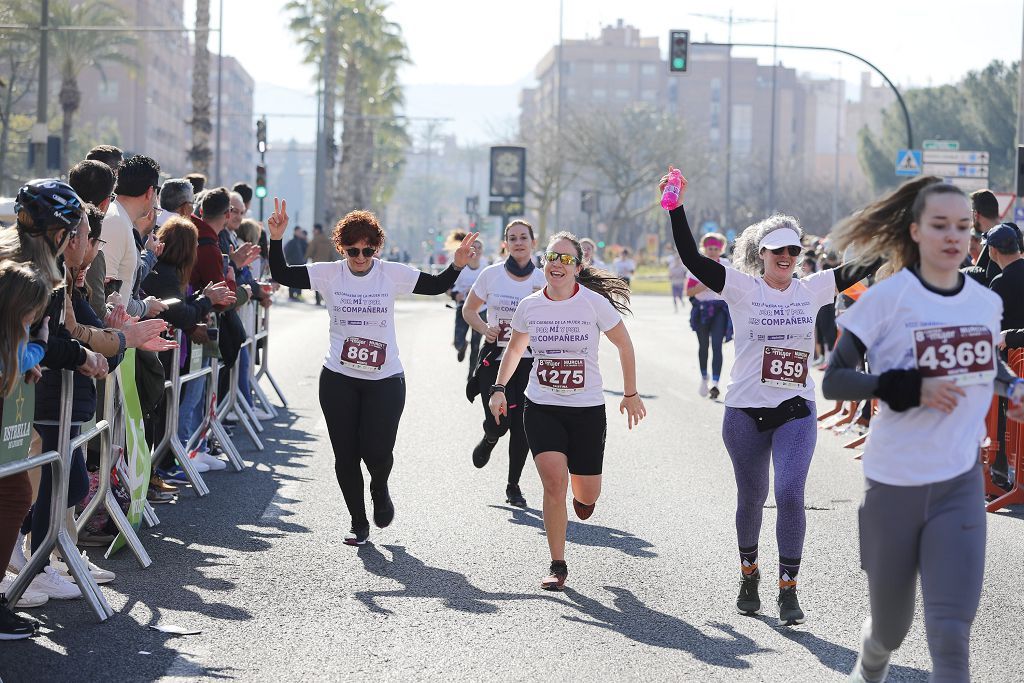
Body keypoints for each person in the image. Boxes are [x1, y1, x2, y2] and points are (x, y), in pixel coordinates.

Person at [820, 179, 1024, 682]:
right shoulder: (887, 299)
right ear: (915, 231)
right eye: (940, 225)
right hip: (894, 486)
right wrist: (912, 388)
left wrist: (1014, 390)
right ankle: (870, 666)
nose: (954, 236)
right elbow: (836, 380)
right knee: (892, 627)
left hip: (958, 484)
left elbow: (982, 362)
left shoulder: (983, 302)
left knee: (951, 635)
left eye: (962, 226)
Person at [661, 165, 880, 626]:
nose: (787, 256)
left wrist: (899, 230)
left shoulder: (814, 288)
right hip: (743, 409)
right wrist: (676, 206)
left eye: (794, 251)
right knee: (751, 497)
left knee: (790, 492)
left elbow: (867, 264)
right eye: (778, 250)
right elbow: (689, 257)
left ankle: (788, 589)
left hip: (795, 409)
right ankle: (749, 575)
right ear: (762, 253)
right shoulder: (741, 287)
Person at [267, 198, 479, 546]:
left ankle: (379, 488)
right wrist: (276, 239)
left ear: (377, 247)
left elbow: (437, 285)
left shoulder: (390, 273)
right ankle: (358, 521)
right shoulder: (329, 273)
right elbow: (281, 274)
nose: (361, 257)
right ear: (342, 249)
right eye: (353, 251)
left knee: (377, 453)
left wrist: (456, 266)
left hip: (385, 380)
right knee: (346, 455)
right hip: (338, 377)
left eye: (368, 250)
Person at [488, 231, 645, 590]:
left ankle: (583, 498)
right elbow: (514, 351)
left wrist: (631, 393)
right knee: (553, 482)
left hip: (587, 410)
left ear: (578, 266)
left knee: (587, 495)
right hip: (542, 406)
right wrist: (498, 388)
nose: (557, 264)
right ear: (544, 263)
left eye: (566, 259)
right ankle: (558, 563)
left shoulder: (592, 303)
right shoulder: (529, 306)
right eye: (552, 258)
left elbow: (624, 344)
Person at [462, 220, 547, 508]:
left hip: (528, 362)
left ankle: (513, 485)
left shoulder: (544, 279)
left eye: (524, 237)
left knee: (522, 426)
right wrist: (484, 328)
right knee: (500, 422)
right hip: (495, 357)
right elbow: (469, 310)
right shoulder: (491, 275)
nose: (519, 242)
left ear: (533, 243)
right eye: (513, 238)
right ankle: (489, 438)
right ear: (505, 243)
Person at [0, 259, 51, 636]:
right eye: (33, 312)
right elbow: (16, 361)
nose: (35, 319)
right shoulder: (11, 333)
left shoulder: (10, 329)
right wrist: (41, 347)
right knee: (17, 494)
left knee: (17, 493)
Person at [687, 232, 731, 400]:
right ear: (704, 249)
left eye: (715, 249)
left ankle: (715, 382)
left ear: (721, 250)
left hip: (720, 309)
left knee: (717, 346)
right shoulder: (697, 265)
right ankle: (704, 377)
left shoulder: (726, 264)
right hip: (702, 309)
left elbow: (732, 287)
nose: (712, 251)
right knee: (704, 345)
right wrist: (706, 283)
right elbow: (689, 291)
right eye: (709, 248)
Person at [449, 233, 485, 373]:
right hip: (463, 307)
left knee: (476, 345)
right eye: (473, 247)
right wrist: (454, 294)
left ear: (482, 251)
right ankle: (462, 346)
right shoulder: (460, 265)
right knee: (458, 341)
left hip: (481, 309)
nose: (476, 250)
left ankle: (471, 375)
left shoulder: (486, 267)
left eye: (479, 247)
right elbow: (447, 284)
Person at [306, 223, 336, 306]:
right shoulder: (327, 240)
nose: (313, 231)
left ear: (317, 230)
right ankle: (327, 301)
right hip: (327, 264)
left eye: (314, 230)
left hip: (316, 264)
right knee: (326, 283)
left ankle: (318, 300)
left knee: (316, 282)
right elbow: (332, 252)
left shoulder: (315, 240)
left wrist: (306, 258)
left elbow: (310, 251)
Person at [283, 226, 308, 301]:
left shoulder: (302, 241)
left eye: (301, 232)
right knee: (292, 279)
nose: (300, 233)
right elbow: (286, 251)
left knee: (300, 280)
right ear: (295, 232)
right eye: (299, 231)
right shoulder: (292, 241)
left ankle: (298, 295)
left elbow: (306, 250)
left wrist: (304, 260)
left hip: (301, 264)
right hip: (293, 263)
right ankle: (291, 295)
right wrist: (289, 260)